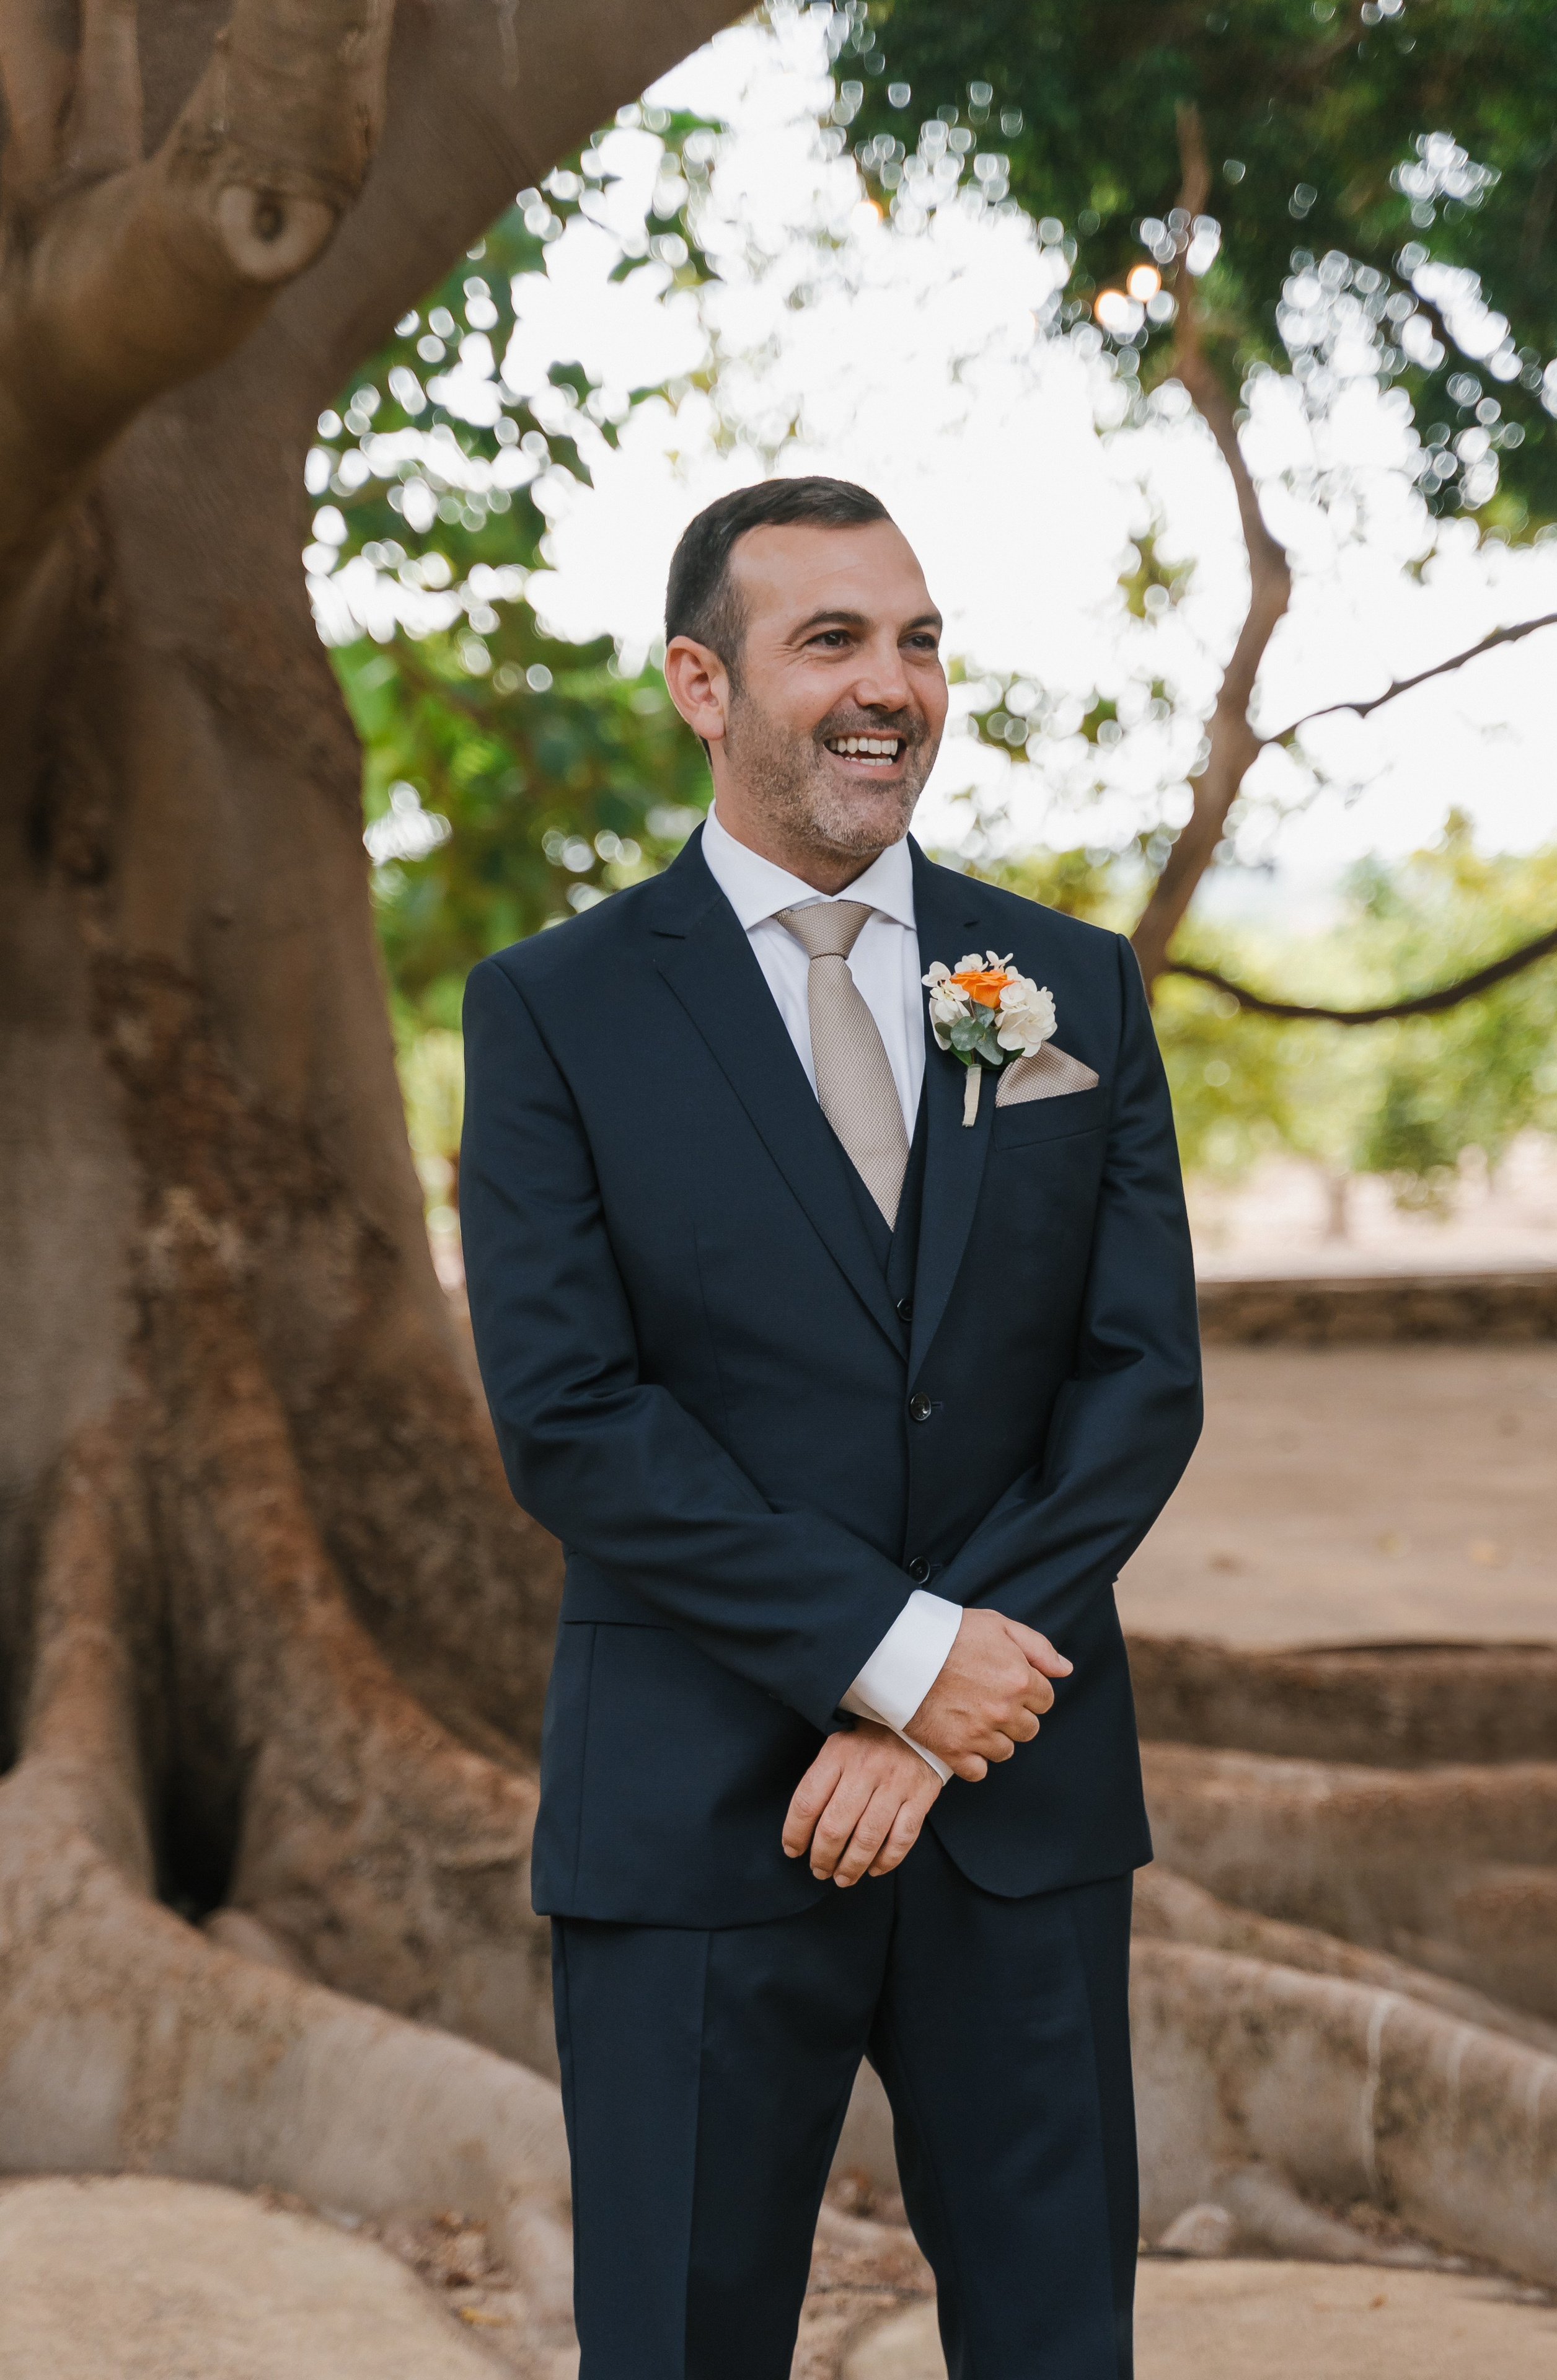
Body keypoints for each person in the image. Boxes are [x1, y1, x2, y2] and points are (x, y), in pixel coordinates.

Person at [459, 475, 1202, 2379]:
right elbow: (572, 1416)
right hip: (697, 1813)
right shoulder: (551, 1014)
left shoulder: (1069, 987)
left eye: (921, 638)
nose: (895, 687)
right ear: (705, 685)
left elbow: (1138, 1383)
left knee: (1057, 2348)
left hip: (1015, 1809)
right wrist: (894, 1661)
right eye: (834, 643)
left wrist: (952, 1712)